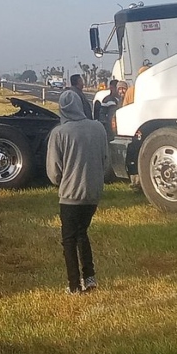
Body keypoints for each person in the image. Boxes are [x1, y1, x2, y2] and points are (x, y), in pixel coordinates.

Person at [46, 88, 111, 294]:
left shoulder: (59, 133)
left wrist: (62, 182)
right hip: (93, 193)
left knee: (69, 239)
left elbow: (54, 171)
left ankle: (74, 285)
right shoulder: (98, 128)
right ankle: (90, 278)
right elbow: (105, 159)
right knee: (82, 232)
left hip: (70, 195)